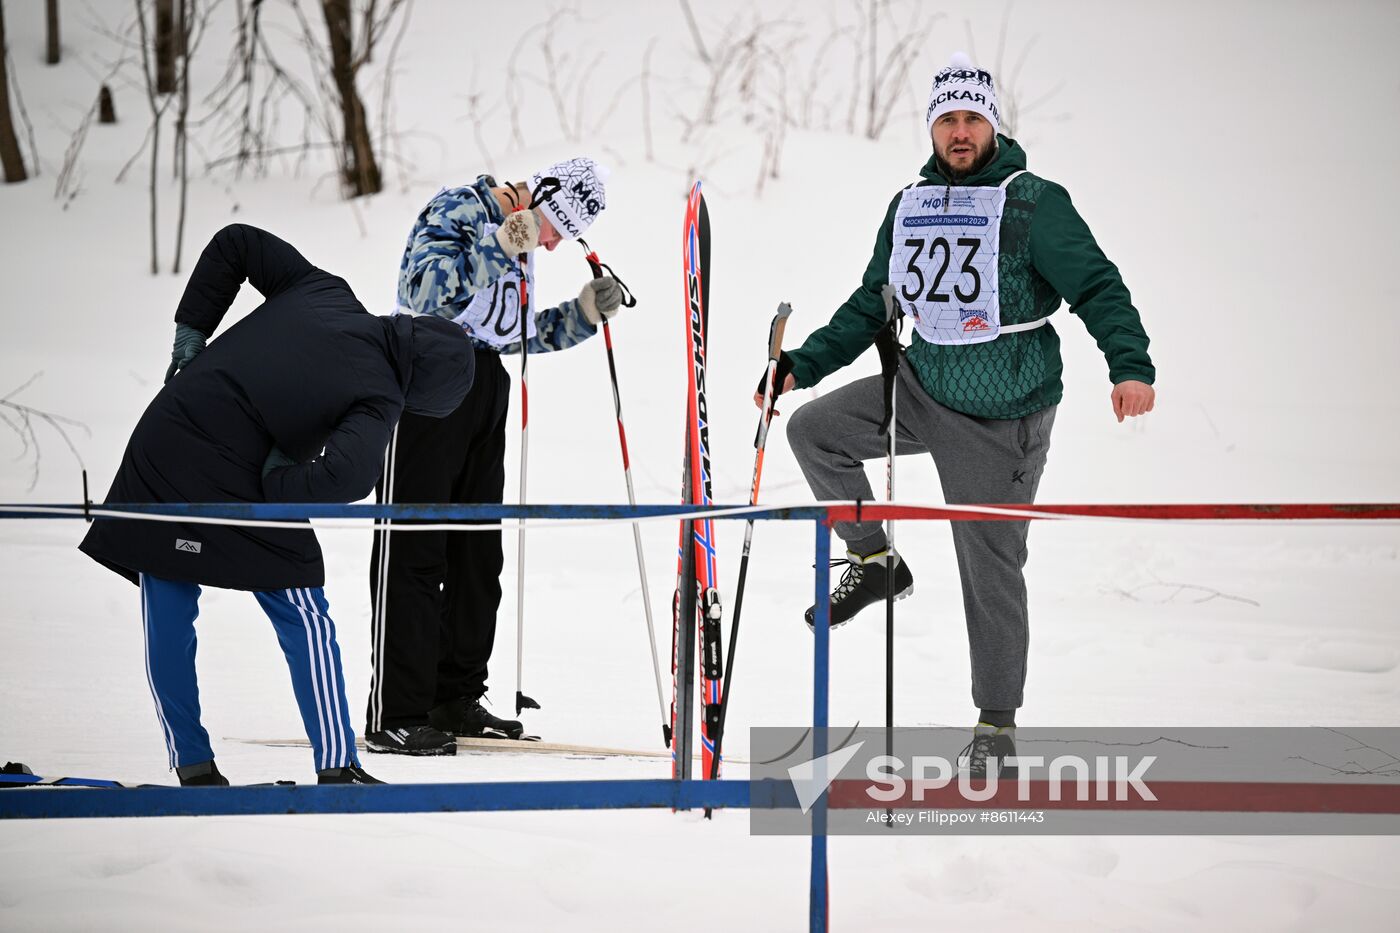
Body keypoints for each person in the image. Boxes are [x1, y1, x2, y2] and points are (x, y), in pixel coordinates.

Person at [763, 54, 1156, 776]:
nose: (960, 131)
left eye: (973, 117)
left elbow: (1097, 285)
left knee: (989, 566)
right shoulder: (910, 203)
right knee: (814, 431)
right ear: (932, 128)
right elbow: (873, 302)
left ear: (993, 124)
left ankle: (996, 723)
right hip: (922, 386)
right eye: (947, 119)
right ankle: (875, 560)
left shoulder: (1033, 203)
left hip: (1003, 411)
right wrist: (801, 365)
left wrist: (1128, 364)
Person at [80, 224, 474, 786]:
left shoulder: (327, 290)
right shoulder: (382, 392)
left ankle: (192, 763)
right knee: (303, 610)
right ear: (423, 392)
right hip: (238, 480)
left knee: (167, 601)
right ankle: (337, 764)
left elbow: (237, 243)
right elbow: (349, 476)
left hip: (161, 444)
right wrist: (280, 485)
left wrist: (193, 329)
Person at [365, 157, 623, 756]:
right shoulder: (460, 207)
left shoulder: (523, 238)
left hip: (485, 385)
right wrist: (503, 243)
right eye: (555, 228)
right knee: (414, 549)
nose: (552, 244)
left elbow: (510, 331)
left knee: (478, 555)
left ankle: (453, 696)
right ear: (539, 199)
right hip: (428, 379)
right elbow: (424, 293)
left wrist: (582, 315)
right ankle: (395, 711)